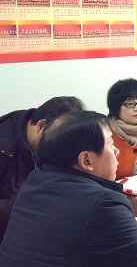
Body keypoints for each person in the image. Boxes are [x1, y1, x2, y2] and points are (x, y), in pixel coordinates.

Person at [0, 111, 137, 267]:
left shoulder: (34, 183)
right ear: (86, 160)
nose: (117, 151)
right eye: (111, 144)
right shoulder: (102, 205)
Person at [0, 96, 83, 242]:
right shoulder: (4, 145)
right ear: (41, 125)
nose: (61, 150)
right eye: (59, 142)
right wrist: (33, 205)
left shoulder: (41, 130)